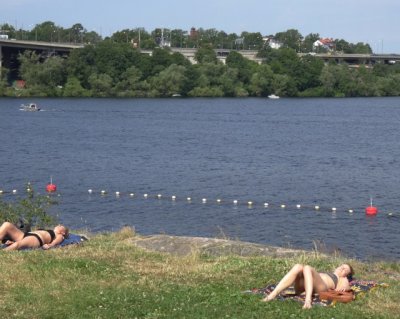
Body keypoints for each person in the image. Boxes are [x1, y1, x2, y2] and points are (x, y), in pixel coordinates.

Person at [262, 263, 354, 309]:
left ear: (346, 275)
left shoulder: (342, 278)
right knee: (298, 266)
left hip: (321, 287)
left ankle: (308, 300)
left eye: (345, 270)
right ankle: (272, 295)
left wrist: (345, 287)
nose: (342, 268)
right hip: (303, 287)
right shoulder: (328, 272)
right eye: (342, 266)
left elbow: (347, 286)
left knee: (307, 268)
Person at [0, 221, 69, 251]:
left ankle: (3, 253)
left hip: (36, 239)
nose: (59, 225)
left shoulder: (59, 235)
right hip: (25, 235)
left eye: (61, 226)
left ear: (63, 232)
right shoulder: (49, 230)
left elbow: (57, 240)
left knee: (17, 244)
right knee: (7, 224)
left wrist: (51, 245)